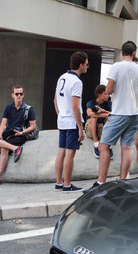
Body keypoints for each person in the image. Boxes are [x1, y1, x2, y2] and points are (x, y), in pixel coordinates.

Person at [91, 40, 138, 189]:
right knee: (126, 148)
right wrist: (136, 91)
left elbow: (109, 90)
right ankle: (123, 180)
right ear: (134, 53)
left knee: (103, 146)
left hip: (119, 113)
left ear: (123, 52)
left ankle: (100, 182)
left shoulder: (116, 67)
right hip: (135, 115)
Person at [0, 85, 36, 186]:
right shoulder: (8, 107)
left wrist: (22, 133)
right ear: (12, 95)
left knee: (4, 149)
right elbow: (3, 123)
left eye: (21, 94)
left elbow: (33, 126)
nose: (19, 96)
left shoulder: (29, 109)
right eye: (16, 94)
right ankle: (15, 149)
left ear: (23, 95)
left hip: (19, 134)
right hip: (8, 133)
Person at [54, 51, 89, 192]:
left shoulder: (62, 77)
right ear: (80, 65)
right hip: (72, 122)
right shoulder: (76, 82)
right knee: (70, 154)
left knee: (61, 152)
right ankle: (67, 184)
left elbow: (55, 100)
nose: (88, 66)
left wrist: (60, 114)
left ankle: (59, 182)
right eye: (86, 64)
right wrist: (80, 127)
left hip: (62, 120)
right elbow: (75, 106)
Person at [86, 84, 113, 160]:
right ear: (99, 94)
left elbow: (114, 114)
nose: (108, 96)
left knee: (110, 117)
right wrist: (100, 114)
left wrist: (103, 111)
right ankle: (96, 144)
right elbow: (89, 113)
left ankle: (108, 144)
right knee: (93, 117)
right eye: (105, 94)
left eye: (108, 94)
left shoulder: (109, 103)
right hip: (90, 128)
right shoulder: (91, 103)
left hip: (102, 129)